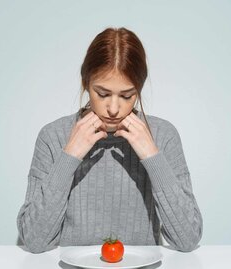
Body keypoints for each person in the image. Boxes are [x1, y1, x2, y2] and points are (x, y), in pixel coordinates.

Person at [17, 27, 203, 254]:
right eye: (102, 94)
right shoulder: (53, 136)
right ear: (86, 83)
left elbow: (188, 239)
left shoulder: (164, 135)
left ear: (139, 90)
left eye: (127, 96)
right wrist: (69, 157)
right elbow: (34, 241)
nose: (113, 109)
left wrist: (153, 157)